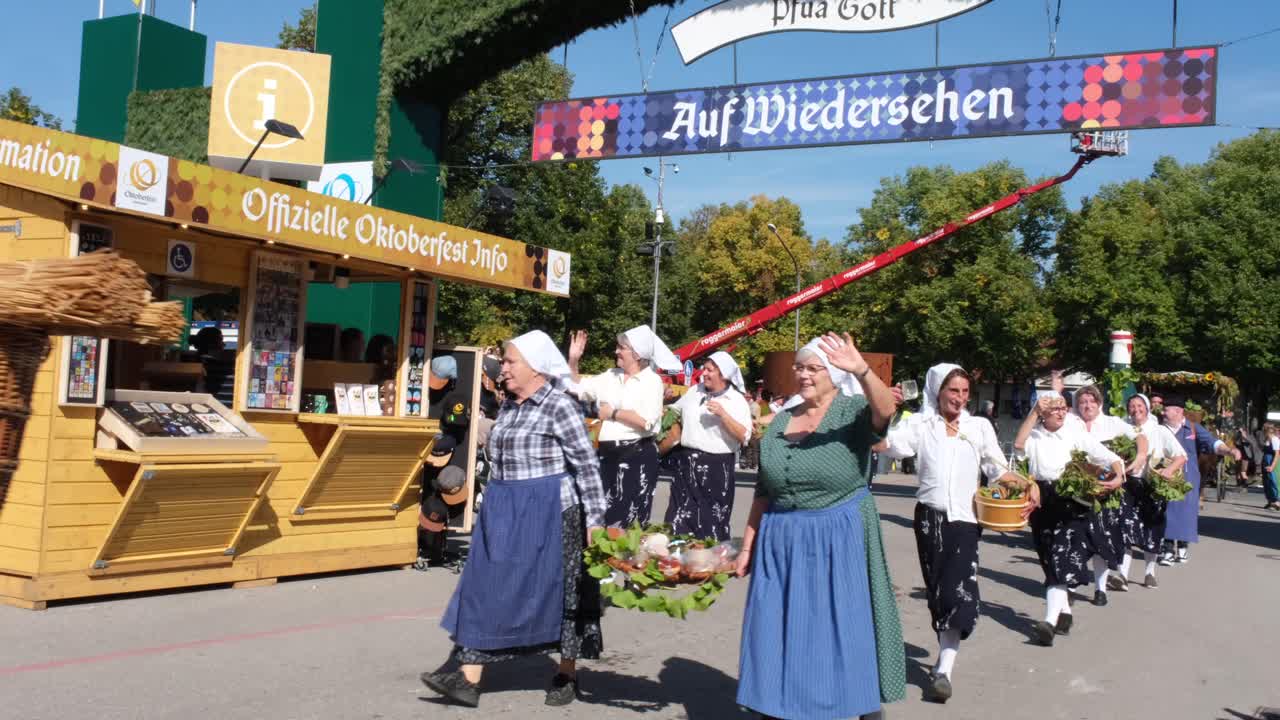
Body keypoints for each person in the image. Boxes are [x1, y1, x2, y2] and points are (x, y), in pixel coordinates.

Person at [424, 330, 606, 709]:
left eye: (510, 361)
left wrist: (596, 520)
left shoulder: (560, 405)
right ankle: (467, 674)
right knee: (483, 583)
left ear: (536, 368)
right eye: (504, 361)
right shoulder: (511, 405)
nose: (502, 368)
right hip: (506, 504)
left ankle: (566, 673)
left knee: (562, 593)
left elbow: (586, 465)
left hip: (551, 508)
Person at [736, 333, 905, 719]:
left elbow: (886, 412)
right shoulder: (780, 421)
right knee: (775, 629)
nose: (805, 375)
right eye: (800, 367)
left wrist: (861, 368)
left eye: (815, 368)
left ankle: (852, 702)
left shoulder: (852, 412)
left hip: (837, 537)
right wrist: (748, 546)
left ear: (833, 374)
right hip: (781, 540)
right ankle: (776, 705)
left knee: (838, 629)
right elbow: (764, 489)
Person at [881, 363, 1030, 703]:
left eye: (965, 392)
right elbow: (888, 446)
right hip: (928, 520)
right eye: (954, 391)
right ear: (938, 391)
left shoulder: (978, 427)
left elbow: (995, 467)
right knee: (938, 593)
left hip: (965, 520)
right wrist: (883, 410)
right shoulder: (921, 425)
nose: (960, 398)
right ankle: (942, 659)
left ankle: (944, 670)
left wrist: (1026, 485)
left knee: (958, 592)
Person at [1015, 394, 1125, 647]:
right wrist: (1033, 412)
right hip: (1042, 499)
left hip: (1071, 500)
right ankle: (1064, 612)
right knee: (1046, 557)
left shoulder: (1075, 434)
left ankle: (1049, 621)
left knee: (1059, 557)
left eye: (1064, 408)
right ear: (1043, 412)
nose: (1061, 413)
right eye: (1054, 409)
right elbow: (1019, 446)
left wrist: (1118, 475)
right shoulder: (1034, 435)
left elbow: (1108, 456)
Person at [567, 326, 676, 529]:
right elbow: (576, 388)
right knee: (601, 517)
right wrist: (573, 361)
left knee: (628, 523)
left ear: (636, 354)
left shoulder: (651, 381)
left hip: (636, 456)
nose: (616, 351)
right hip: (608, 455)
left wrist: (613, 413)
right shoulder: (610, 376)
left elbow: (648, 422)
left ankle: (623, 560)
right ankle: (602, 558)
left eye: (621, 347)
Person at [1064, 384, 1147, 606]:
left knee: (1100, 541)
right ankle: (1069, 586)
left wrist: (1140, 455)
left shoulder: (1113, 423)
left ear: (1099, 403)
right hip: (1076, 490)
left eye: (1091, 401)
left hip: (1105, 490)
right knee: (1073, 540)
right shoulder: (1070, 422)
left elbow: (1139, 436)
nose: (1087, 405)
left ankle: (1100, 589)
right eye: (1082, 402)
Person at [664, 351, 753, 541]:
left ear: (724, 375)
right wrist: (665, 401)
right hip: (686, 465)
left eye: (709, 370)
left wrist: (723, 415)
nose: (703, 373)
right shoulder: (694, 391)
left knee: (711, 523)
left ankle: (707, 567)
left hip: (716, 470)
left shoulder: (736, 401)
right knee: (678, 520)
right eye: (704, 368)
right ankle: (678, 562)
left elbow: (744, 436)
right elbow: (674, 412)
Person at [1109, 394, 1186, 590]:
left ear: (1147, 408)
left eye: (1139, 405)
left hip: (1152, 486)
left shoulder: (1159, 430)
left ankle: (1150, 573)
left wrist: (1167, 471)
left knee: (1152, 529)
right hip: (1129, 485)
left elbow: (1181, 456)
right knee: (1125, 528)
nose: (1136, 409)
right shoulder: (1123, 431)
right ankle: (1122, 575)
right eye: (1132, 406)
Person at [1158, 395, 1239, 565]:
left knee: (1186, 512)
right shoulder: (1159, 429)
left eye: (1166, 409)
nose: (1163, 412)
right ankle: (1166, 549)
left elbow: (1213, 443)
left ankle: (1182, 546)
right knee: (1165, 512)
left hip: (1187, 478)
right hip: (1164, 476)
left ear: (1178, 411)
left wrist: (1229, 451)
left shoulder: (1193, 428)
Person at [192, 325, 234, 407]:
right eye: (221, 340)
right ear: (212, 344)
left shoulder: (193, 362)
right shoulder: (220, 367)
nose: (224, 344)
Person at [1261, 423, 1279, 510]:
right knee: (1266, 482)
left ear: (1268, 430)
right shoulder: (1267, 439)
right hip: (1265, 461)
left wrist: (1272, 466)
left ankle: (1276, 501)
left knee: (1272, 481)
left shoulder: (1274, 439)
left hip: (1271, 461)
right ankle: (1270, 501)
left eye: (1264, 430)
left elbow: (1276, 454)